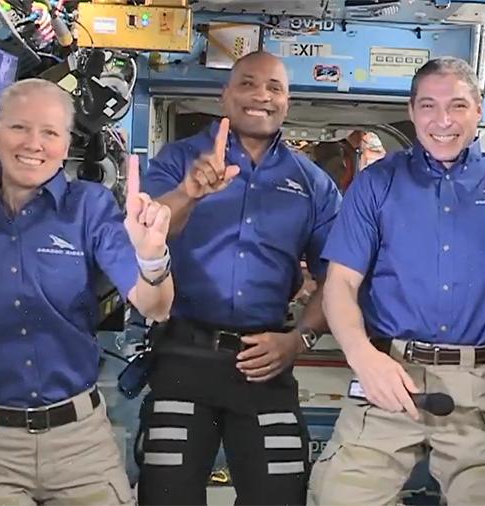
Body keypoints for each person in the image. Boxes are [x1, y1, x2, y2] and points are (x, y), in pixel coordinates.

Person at [0, 78, 174, 505]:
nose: (34, 143)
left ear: (66, 145)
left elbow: (154, 305)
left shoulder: (90, 207)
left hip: (80, 444)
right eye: (19, 127)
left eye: (50, 132)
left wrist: (153, 258)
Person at [309, 56, 485, 505]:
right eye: (429, 106)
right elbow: (340, 285)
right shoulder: (377, 184)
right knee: (337, 497)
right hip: (390, 374)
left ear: (479, 110)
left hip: (479, 388)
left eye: (458, 106)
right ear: (412, 112)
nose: (443, 120)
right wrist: (362, 357)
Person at [137, 51, 341, 506]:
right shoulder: (180, 160)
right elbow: (146, 233)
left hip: (265, 364)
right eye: (247, 83)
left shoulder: (312, 184)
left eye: (274, 88)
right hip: (184, 357)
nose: (261, 96)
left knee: (281, 497)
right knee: (166, 498)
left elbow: (338, 277)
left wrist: (299, 341)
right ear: (225, 95)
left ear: (287, 102)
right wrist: (188, 193)